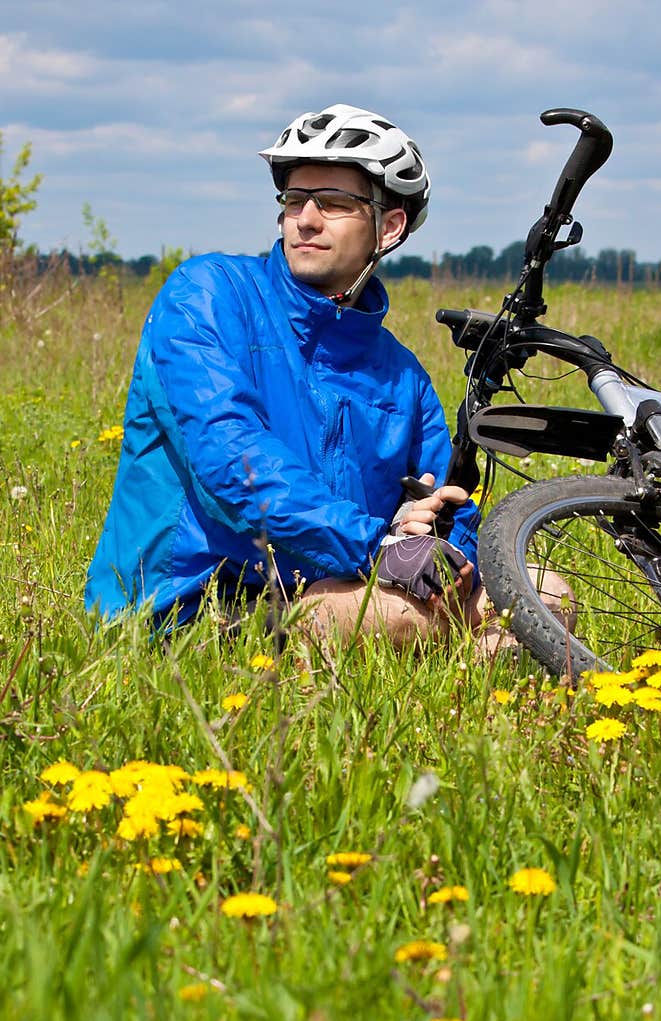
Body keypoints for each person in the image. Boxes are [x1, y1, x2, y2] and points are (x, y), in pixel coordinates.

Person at [84, 102, 573, 650]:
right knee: (406, 618)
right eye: (294, 200)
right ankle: (446, 669)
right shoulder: (207, 293)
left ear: (389, 227)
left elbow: (450, 498)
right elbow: (231, 459)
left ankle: (461, 690)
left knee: (544, 595)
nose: (306, 219)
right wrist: (380, 547)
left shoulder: (402, 375)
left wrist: (443, 550)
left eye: (335, 203)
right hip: (199, 604)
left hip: (340, 585)